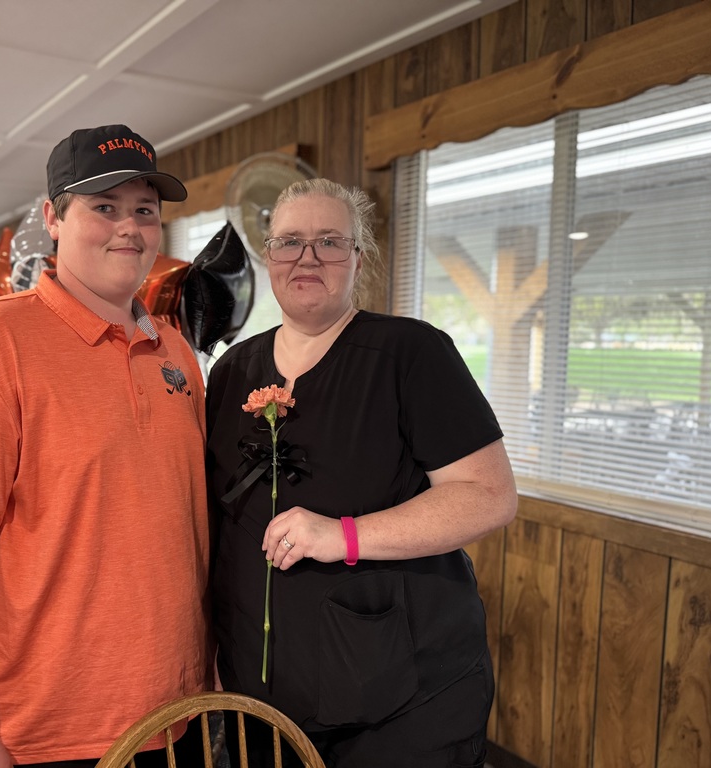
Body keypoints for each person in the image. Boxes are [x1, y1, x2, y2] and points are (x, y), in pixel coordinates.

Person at [0, 124, 211, 767]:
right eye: (104, 207)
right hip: (49, 726)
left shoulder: (176, 350)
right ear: (53, 219)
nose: (129, 227)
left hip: (181, 712)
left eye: (144, 211)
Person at [205, 179, 518, 768]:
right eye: (289, 242)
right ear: (268, 257)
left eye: (329, 241)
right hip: (263, 698)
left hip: (401, 695)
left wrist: (343, 535)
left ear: (359, 257)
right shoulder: (231, 373)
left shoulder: (411, 354)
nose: (307, 257)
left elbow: (488, 497)